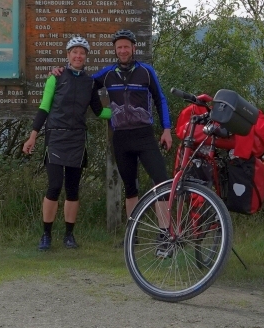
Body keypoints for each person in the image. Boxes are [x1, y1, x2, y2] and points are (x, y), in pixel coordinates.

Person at [49, 29, 173, 255]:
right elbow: (82, 82)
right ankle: (132, 237)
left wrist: (167, 129)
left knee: (161, 182)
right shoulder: (107, 74)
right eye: (119, 47)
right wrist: (59, 72)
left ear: (133, 48)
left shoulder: (146, 72)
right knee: (130, 188)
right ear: (115, 51)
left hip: (144, 135)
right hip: (121, 138)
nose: (123, 50)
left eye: (127, 46)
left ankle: (165, 237)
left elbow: (160, 98)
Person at [23, 36, 111, 251]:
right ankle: (46, 235)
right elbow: (44, 107)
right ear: (68, 55)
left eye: (82, 52)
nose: (78, 55)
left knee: (72, 189)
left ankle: (69, 235)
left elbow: (100, 111)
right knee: (54, 186)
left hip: (77, 139)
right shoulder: (56, 77)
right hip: (56, 137)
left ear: (86, 56)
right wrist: (33, 135)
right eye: (74, 52)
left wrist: (124, 112)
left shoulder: (90, 83)